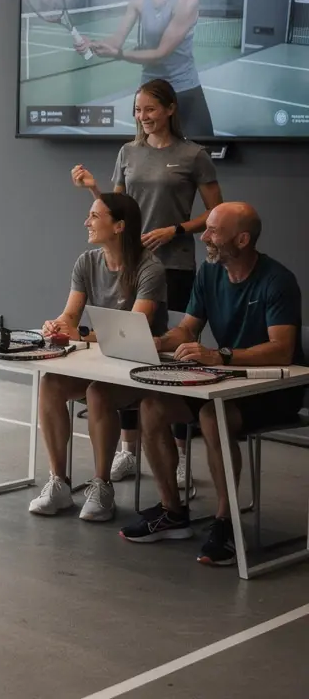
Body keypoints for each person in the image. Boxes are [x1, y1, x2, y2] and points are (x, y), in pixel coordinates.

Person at [89, 202, 304, 566]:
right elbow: (189, 327)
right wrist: (160, 341)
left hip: (272, 388)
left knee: (210, 415)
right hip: (222, 379)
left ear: (242, 239)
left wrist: (222, 356)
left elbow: (282, 349)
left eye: (214, 231)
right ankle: (172, 512)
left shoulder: (277, 280)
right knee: (152, 406)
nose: (204, 237)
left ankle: (225, 522)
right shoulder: (209, 272)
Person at [71, 78, 222, 489]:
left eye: (150, 109)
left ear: (170, 109)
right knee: (129, 351)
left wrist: (176, 229)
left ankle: (180, 456)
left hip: (174, 265)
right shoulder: (128, 152)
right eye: (138, 110)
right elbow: (116, 209)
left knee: (173, 357)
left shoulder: (193, 155)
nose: (143, 117)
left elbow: (216, 213)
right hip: (133, 265)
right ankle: (128, 449)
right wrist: (93, 188)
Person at [29, 192, 167, 522]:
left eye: (94, 216)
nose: (86, 222)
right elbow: (70, 315)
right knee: (50, 384)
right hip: (98, 362)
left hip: (139, 369)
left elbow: (133, 329)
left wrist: (81, 335)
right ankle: (59, 483)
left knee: (98, 392)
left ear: (119, 226)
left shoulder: (150, 268)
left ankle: (102, 486)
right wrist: (58, 325)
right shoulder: (86, 262)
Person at [77, 0, 214, 138]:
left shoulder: (186, 0)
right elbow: (117, 40)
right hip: (150, 93)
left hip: (184, 90)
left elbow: (161, 53)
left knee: (205, 151)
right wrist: (92, 44)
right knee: (149, 155)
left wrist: (120, 55)